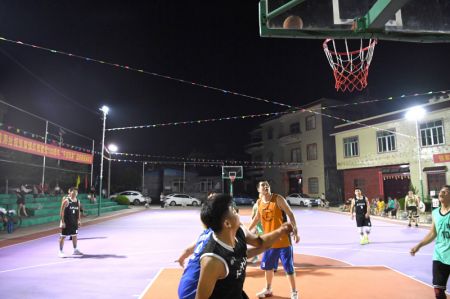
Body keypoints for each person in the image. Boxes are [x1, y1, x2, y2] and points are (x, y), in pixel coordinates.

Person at [179, 193, 293, 299]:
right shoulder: (212, 260)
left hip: (234, 291)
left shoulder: (239, 229)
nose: (238, 212)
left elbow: (259, 243)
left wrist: (280, 231)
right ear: (227, 223)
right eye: (234, 212)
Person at [248, 181, 300, 299]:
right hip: (269, 242)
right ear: (258, 190)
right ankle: (268, 289)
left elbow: (290, 214)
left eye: (267, 185)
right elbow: (256, 218)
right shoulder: (259, 202)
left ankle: (294, 292)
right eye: (263, 185)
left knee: (288, 268)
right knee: (268, 267)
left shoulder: (278, 199)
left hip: (283, 241)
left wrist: (295, 232)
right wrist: (246, 232)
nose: (266, 186)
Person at [410, 185, 450, 299]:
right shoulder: (435, 213)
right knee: (438, 291)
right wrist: (419, 245)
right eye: (441, 191)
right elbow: (433, 233)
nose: (441, 194)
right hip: (439, 255)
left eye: (445, 192)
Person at [58, 187, 83, 257]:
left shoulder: (78, 201)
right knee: (63, 236)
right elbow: (61, 212)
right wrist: (62, 222)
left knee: (74, 235)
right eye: (74, 192)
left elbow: (78, 212)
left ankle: (75, 250)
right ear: (70, 192)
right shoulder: (66, 200)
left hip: (74, 222)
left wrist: (79, 220)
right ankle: (60, 251)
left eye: (76, 192)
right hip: (66, 222)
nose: (75, 193)